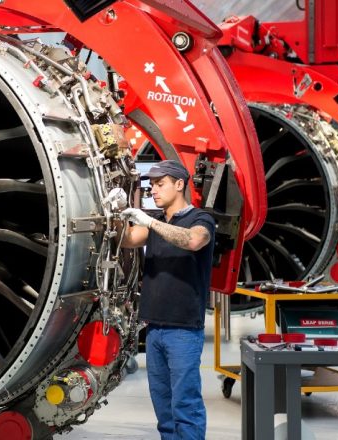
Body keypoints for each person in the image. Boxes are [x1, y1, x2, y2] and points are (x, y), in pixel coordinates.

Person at [120, 159, 216, 440]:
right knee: (163, 406)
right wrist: (112, 214)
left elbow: (193, 241)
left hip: (184, 329)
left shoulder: (201, 219)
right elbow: (128, 238)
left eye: (160, 185)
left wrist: (149, 220)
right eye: (151, 186)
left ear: (179, 184)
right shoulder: (157, 223)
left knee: (185, 403)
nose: (154, 191)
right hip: (155, 328)